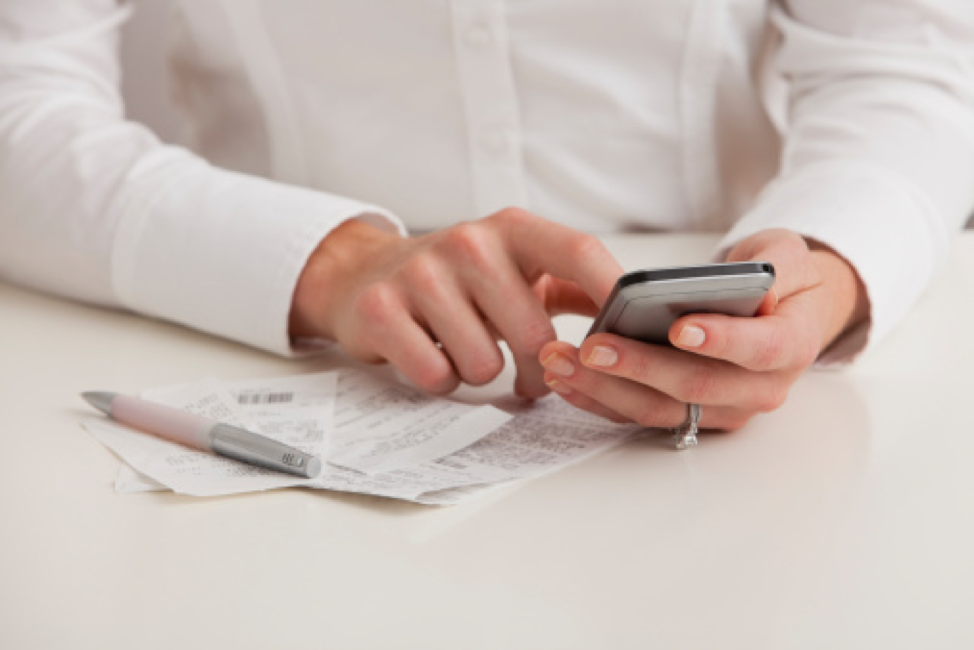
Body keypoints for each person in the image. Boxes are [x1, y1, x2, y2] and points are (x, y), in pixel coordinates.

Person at [1, 1, 972, 433]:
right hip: (275, 353)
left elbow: (905, 69)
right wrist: (334, 263)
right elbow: (19, 96)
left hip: (769, 418)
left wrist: (826, 260)